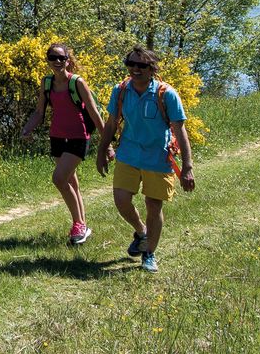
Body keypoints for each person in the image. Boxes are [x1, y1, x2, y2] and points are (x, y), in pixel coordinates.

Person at [94, 47, 195, 273]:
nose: (135, 69)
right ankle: (142, 233)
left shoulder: (166, 94)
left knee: (153, 204)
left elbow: (180, 131)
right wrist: (102, 151)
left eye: (141, 65)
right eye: (130, 64)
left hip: (158, 157)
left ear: (152, 69)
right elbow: (111, 123)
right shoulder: (120, 91)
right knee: (121, 200)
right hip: (128, 154)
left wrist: (187, 166)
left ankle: (149, 252)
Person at [19, 43, 105, 245]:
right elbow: (40, 112)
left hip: (78, 137)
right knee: (71, 182)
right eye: (52, 57)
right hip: (57, 137)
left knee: (59, 178)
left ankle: (78, 224)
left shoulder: (77, 83)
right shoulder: (46, 83)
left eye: (61, 58)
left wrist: (106, 143)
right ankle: (82, 225)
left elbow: (94, 112)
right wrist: (27, 129)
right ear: (48, 60)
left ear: (68, 60)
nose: (57, 61)